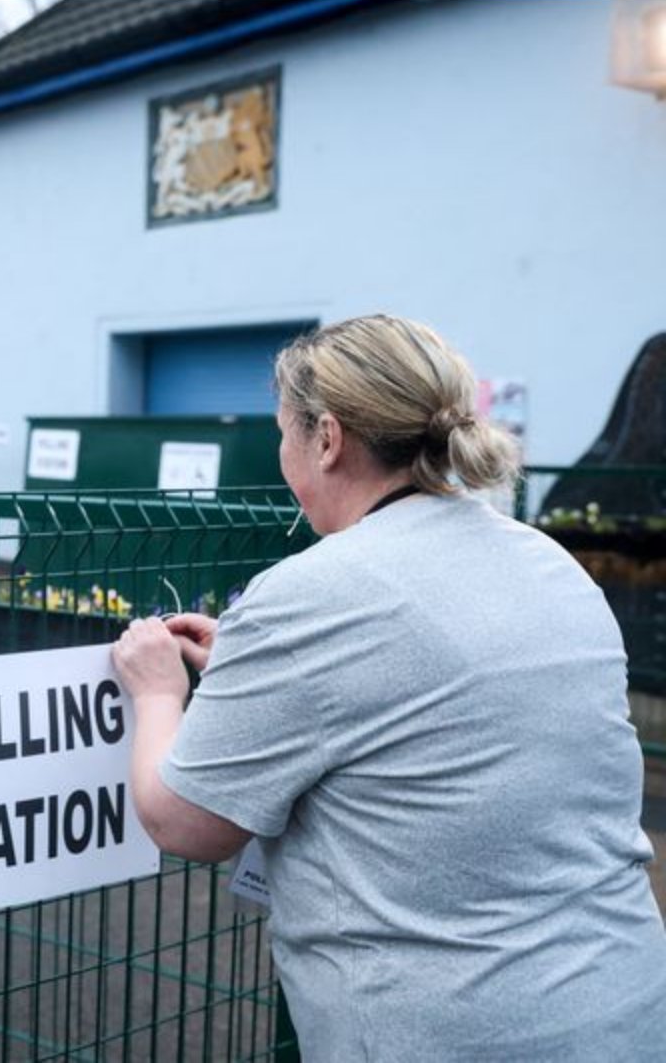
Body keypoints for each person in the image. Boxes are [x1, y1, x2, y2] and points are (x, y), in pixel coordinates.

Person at [111, 315, 666, 1061]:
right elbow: (424, 698)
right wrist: (254, 674)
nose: (282, 453)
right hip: (622, 1005)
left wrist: (156, 693)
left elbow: (188, 826)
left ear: (328, 438)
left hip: (452, 1033)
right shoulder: (542, 557)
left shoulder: (319, 589)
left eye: (284, 432)